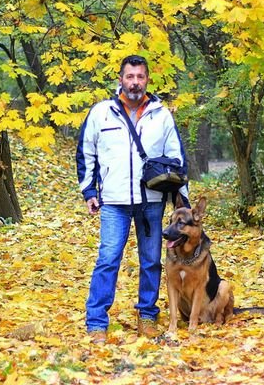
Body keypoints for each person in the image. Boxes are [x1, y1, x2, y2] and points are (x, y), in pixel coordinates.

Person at [76, 55, 189, 344]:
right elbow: (86, 153)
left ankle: (147, 316)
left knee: (151, 261)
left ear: (147, 79)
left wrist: (182, 202)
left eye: (140, 77)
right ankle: (97, 322)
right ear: (121, 79)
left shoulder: (161, 114)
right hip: (113, 201)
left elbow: (177, 160)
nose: (135, 82)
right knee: (108, 259)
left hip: (152, 200)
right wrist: (89, 192)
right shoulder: (101, 112)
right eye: (130, 76)